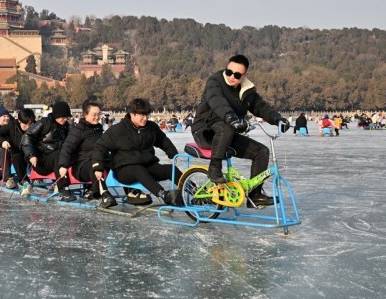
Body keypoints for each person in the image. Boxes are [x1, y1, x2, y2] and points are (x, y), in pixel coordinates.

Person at [191, 54, 290, 208]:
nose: (231, 77)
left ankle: (255, 195)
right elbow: (217, 101)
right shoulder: (215, 81)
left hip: (229, 133)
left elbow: (260, 107)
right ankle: (214, 168)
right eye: (229, 72)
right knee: (227, 126)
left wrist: (278, 119)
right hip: (204, 131)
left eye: (237, 75)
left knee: (261, 152)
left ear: (245, 75)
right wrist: (231, 118)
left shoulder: (247, 90)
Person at [91, 98, 182, 206]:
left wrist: (173, 155)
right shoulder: (117, 130)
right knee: (138, 170)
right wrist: (98, 167)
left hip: (147, 165)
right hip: (124, 170)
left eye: (147, 115)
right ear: (132, 114)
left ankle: (196, 192)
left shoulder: (151, 127)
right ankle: (164, 195)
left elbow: (163, 141)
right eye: (142, 115)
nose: (145, 118)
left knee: (170, 169)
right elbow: (100, 147)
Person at [58, 101, 117, 208]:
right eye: (94, 115)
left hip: (99, 161)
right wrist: (63, 165)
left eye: (98, 114)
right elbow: (67, 148)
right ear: (85, 115)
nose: (97, 117)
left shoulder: (98, 129)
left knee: (122, 162)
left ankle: (132, 192)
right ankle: (105, 194)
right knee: (94, 166)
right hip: (82, 165)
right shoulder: (78, 130)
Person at [21, 100, 74, 202]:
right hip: (42, 161)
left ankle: (90, 189)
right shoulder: (44, 123)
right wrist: (31, 155)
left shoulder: (66, 126)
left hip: (58, 161)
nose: (65, 119)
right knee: (58, 155)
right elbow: (27, 137)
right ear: (56, 115)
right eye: (63, 117)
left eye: (67, 117)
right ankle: (63, 190)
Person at [0, 108, 36, 192]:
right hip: (17, 152)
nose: (27, 128)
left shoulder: (36, 125)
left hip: (32, 152)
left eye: (30, 125)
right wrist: (3, 142)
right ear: (19, 121)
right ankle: (24, 181)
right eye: (24, 125)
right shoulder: (12, 125)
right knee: (17, 156)